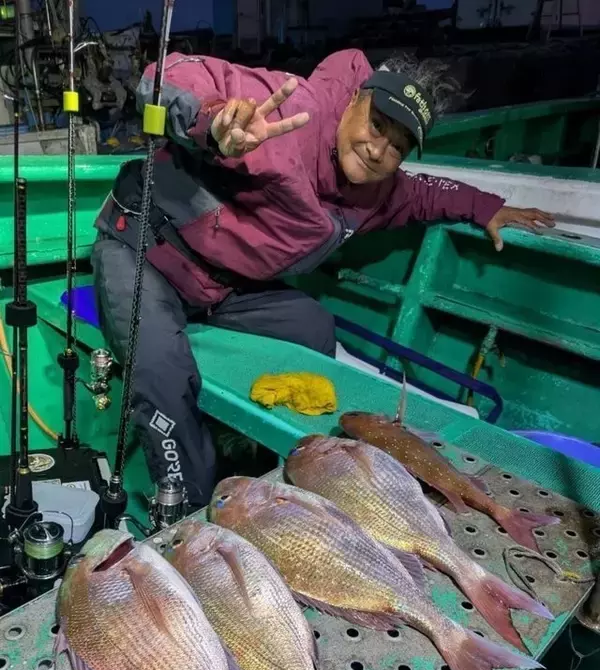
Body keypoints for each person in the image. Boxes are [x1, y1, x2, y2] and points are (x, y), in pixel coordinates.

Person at [91, 49, 555, 507]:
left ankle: (263, 465)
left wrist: (486, 207)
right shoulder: (290, 110)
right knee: (161, 373)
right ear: (355, 99)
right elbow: (165, 73)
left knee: (313, 327)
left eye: (398, 146)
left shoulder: (377, 191)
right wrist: (214, 122)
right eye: (377, 125)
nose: (378, 150)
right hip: (145, 250)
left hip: (223, 284)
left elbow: (425, 195)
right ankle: (183, 511)